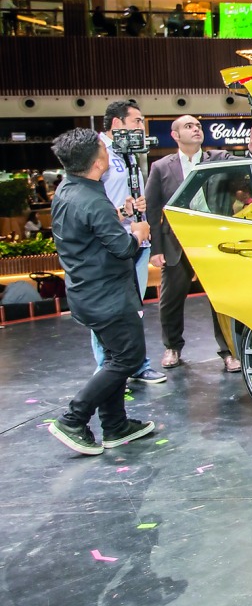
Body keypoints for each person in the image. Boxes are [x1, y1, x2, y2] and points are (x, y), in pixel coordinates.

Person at [47, 128, 156, 456]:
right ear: (97, 161)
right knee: (129, 357)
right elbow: (123, 248)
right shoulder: (93, 200)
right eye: (103, 148)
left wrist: (118, 216)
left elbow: (89, 233)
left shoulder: (68, 189)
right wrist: (138, 232)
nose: (108, 152)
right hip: (108, 295)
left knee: (114, 357)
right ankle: (73, 417)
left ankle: (115, 425)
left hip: (85, 292)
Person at [145, 115, 241, 373]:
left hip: (213, 240)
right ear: (175, 135)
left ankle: (229, 351)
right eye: (189, 126)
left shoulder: (219, 158)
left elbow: (247, 167)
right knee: (171, 299)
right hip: (177, 241)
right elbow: (153, 210)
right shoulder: (162, 167)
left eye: (198, 126)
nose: (196, 129)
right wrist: (156, 249)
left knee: (222, 299)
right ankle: (172, 346)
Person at [91, 100, 166, 385]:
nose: (141, 126)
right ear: (115, 123)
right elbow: (89, 203)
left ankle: (136, 364)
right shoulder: (96, 152)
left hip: (136, 238)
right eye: (136, 121)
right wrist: (122, 212)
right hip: (109, 242)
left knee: (134, 307)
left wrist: (141, 206)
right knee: (107, 310)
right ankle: (106, 371)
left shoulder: (130, 153)